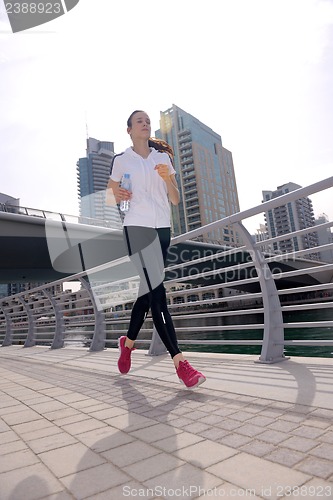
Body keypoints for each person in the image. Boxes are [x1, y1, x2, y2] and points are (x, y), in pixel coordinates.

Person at [106, 110, 206, 389]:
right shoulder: (122, 159)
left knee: (148, 292)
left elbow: (174, 200)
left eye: (148, 121)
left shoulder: (163, 158)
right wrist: (119, 195)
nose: (145, 123)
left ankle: (128, 343)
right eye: (140, 120)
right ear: (129, 129)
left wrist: (167, 179)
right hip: (136, 227)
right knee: (158, 291)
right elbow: (109, 196)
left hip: (162, 229)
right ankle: (180, 363)